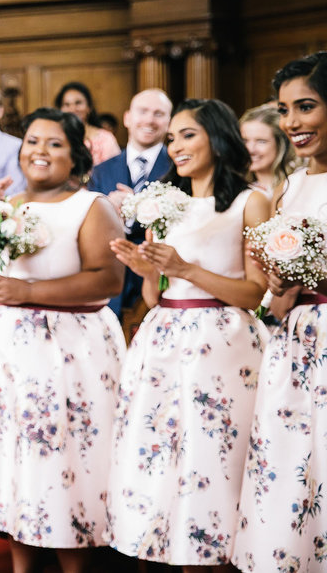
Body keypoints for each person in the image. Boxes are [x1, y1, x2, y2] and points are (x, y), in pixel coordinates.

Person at [0, 108, 126, 573]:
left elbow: (108, 279)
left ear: (76, 154)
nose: (39, 151)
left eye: (54, 143)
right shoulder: (3, 205)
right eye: (33, 142)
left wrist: (28, 292)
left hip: (64, 354)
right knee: (13, 462)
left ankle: (76, 565)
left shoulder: (91, 206)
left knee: (57, 460)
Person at [106, 98, 270, 569]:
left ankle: (213, 557)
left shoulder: (249, 201)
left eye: (188, 134)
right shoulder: (163, 203)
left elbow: (253, 293)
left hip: (222, 345)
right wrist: (146, 269)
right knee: (157, 457)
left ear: (217, 138)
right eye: (172, 137)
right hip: (162, 341)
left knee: (212, 458)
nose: (175, 145)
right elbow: (155, 297)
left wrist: (185, 268)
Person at [234, 51, 327, 572]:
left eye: (306, 107)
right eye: (284, 109)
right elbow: (276, 283)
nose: (292, 122)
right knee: (293, 468)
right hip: (295, 343)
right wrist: (275, 288)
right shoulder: (289, 187)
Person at [89, 88, 174, 321]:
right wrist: (108, 209)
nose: (149, 119)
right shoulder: (101, 170)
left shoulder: (178, 169)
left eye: (158, 114)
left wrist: (136, 209)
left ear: (169, 122)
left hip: (159, 280)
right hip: (111, 282)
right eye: (143, 112)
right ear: (128, 118)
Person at [55, 81, 121, 165]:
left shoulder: (105, 138)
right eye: (66, 104)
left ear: (89, 107)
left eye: (78, 103)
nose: (72, 109)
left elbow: (115, 171)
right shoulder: (55, 137)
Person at [239, 103, 296, 196]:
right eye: (245, 141)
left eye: (261, 141)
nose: (250, 149)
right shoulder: (239, 191)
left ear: (281, 144)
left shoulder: (296, 185)